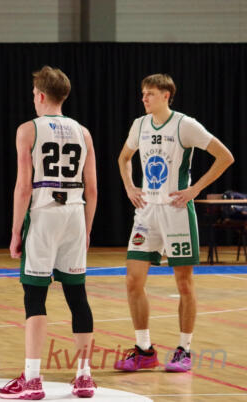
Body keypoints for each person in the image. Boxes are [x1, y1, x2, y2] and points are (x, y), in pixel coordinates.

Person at [116, 73, 234, 372]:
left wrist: (195, 189)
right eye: (143, 93)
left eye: (150, 93)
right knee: (133, 280)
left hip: (176, 211)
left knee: (183, 282)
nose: (144, 98)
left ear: (166, 95)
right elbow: (124, 158)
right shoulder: (139, 125)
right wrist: (129, 187)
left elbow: (225, 156)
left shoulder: (185, 125)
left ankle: (184, 350)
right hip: (146, 212)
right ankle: (144, 350)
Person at [0, 66, 98, 400]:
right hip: (75, 213)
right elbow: (92, 189)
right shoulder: (84, 132)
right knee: (77, 296)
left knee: (35, 298)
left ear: (40, 95)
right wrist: (87, 229)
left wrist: (15, 231)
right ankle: (84, 376)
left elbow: (23, 187)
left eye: (33, 94)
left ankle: (32, 379)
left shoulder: (28, 129)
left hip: (44, 213)